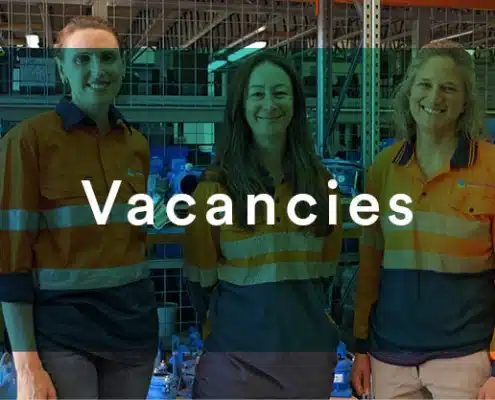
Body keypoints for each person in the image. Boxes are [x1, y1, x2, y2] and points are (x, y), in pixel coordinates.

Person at [0, 15, 158, 399]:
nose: (97, 71)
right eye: (82, 59)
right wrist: (26, 366)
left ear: (122, 65)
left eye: (107, 58)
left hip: (133, 331)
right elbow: (10, 260)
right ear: (62, 70)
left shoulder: (135, 145)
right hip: (63, 333)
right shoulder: (27, 142)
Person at [183, 51, 343, 399]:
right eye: (257, 94)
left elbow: (325, 275)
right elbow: (200, 285)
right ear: (240, 106)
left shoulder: (321, 185)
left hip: (306, 368)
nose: (269, 104)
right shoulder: (214, 189)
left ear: (296, 104)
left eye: (280, 93)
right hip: (234, 371)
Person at [352, 40, 495, 399]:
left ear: (465, 101)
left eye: (448, 88)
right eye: (425, 85)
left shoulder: (490, 167)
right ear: (409, 92)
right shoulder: (384, 168)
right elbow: (369, 265)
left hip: (465, 358)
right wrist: (360, 345)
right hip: (390, 357)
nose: (434, 97)